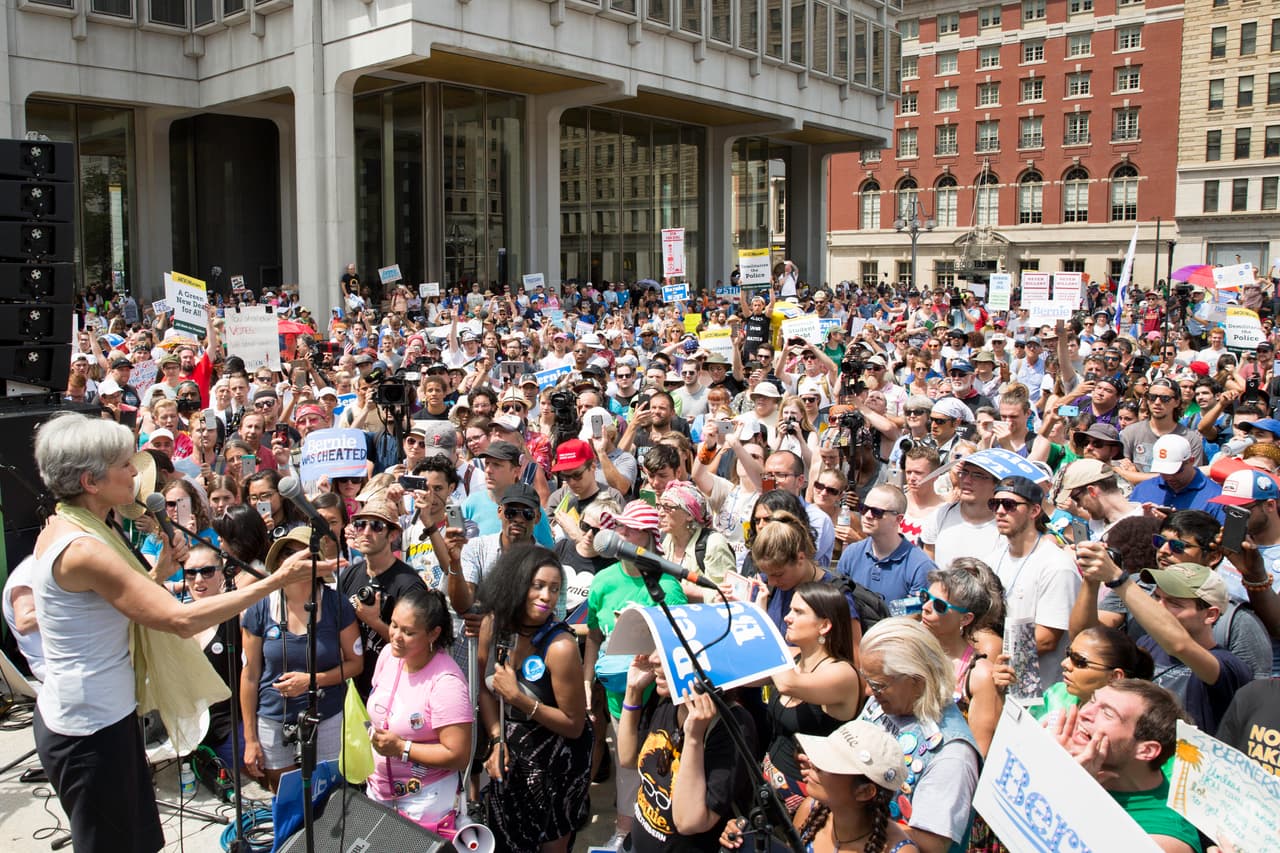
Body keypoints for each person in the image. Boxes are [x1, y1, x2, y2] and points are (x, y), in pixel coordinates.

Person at [29, 413, 340, 851]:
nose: (136, 473)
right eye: (123, 465)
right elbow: (179, 620)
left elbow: (115, 609)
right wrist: (276, 579)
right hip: (88, 729)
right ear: (90, 481)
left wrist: (158, 573)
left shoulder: (90, 525)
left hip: (106, 717)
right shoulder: (82, 548)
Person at [583, 500, 689, 850]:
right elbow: (595, 636)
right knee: (626, 765)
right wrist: (588, 682)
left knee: (657, 764)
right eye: (618, 527)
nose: (619, 533)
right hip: (619, 696)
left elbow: (680, 645)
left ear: (646, 538)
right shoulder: (602, 581)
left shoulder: (668, 587)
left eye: (627, 528)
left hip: (660, 699)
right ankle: (624, 830)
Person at [477, 545, 592, 853]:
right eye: (538, 586)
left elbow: (574, 725)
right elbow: (485, 693)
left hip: (557, 766)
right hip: (509, 756)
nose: (547, 597)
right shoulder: (493, 625)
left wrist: (520, 698)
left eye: (554, 589)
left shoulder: (561, 647)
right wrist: (497, 739)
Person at [1075, 546, 1251, 735]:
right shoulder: (1149, 644)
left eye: (1174, 603)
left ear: (1211, 615)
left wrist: (1117, 578)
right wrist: (1090, 582)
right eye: (1157, 597)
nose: (1159, 606)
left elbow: (1180, 646)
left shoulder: (1227, 666)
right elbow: (1086, 637)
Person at [240, 526, 363, 791]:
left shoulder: (336, 604)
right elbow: (249, 676)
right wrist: (250, 739)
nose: (296, 561)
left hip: (327, 716)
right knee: (284, 794)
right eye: (288, 553)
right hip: (273, 718)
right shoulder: (259, 607)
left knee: (327, 795)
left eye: (305, 554)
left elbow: (355, 663)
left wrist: (312, 681)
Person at [855, 618, 980, 853]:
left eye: (878, 684)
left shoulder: (951, 755)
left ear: (916, 681)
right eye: (867, 679)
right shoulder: (885, 702)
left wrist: (852, 820)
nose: (870, 691)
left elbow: (932, 843)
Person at [618, 648, 757, 852]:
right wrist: (633, 692)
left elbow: (689, 822)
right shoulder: (668, 699)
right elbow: (628, 758)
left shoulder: (733, 726)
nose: (654, 658)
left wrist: (693, 737)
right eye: (656, 648)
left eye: (668, 652)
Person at [365, 587, 474, 830]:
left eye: (408, 632)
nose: (395, 636)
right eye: (393, 625)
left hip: (425, 801)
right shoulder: (387, 656)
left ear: (433, 634)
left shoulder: (447, 683)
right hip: (377, 791)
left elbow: (458, 755)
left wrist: (402, 748)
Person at [722, 720, 919, 853]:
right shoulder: (810, 808)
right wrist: (745, 841)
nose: (812, 763)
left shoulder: (901, 850)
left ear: (865, 791)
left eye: (829, 764)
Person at [1052, 681, 1202, 853]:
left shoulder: (1161, 840)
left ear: (1146, 750)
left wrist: (1068, 792)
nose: (1085, 712)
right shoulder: (1077, 770)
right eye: (1092, 700)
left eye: (1108, 713)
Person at [763, 581, 864, 805]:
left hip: (807, 802)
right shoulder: (794, 658)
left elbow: (787, 684)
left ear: (824, 625)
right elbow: (749, 672)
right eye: (790, 610)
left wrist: (761, 622)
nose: (787, 617)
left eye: (798, 612)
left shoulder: (842, 673)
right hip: (768, 790)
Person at [987, 476, 1080, 686]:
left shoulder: (1057, 566)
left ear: (1034, 511)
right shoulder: (993, 557)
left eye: (1010, 505)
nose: (1000, 511)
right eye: (995, 504)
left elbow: (1047, 638)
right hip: (1002, 679)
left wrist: (992, 653)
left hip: (1041, 688)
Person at [337, 497, 427, 699]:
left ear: (392, 534)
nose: (367, 532)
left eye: (377, 526)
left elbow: (418, 646)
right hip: (353, 688)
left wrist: (373, 622)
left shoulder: (409, 583)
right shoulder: (349, 574)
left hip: (395, 689)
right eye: (360, 525)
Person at [918, 561, 1002, 757]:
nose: (926, 607)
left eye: (939, 605)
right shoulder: (913, 647)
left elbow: (977, 752)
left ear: (966, 619)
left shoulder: (980, 675)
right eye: (925, 597)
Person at [837, 484, 936, 607]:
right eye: (863, 508)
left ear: (898, 519)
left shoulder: (920, 566)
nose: (867, 515)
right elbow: (839, 601)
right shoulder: (851, 553)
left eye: (876, 512)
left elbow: (916, 613)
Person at [657, 480, 736, 601]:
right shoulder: (663, 540)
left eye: (668, 507)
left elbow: (725, 596)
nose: (660, 513)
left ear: (689, 515)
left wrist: (676, 589)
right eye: (660, 506)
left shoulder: (713, 544)